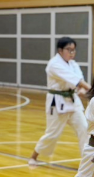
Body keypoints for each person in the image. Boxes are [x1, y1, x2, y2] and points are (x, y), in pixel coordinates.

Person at [29, 37, 90, 166]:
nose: (72, 53)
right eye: (69, 50)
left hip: (73, 101)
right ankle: (34, 156)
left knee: (84, 128)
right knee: (52, 133)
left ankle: (87, 161)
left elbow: (79, 82)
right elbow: (76, 80)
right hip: (56, 102)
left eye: (74, 50)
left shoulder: (73, 64)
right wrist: (93, 90)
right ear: (60, 50)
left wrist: (83, 91)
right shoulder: (54, 64)